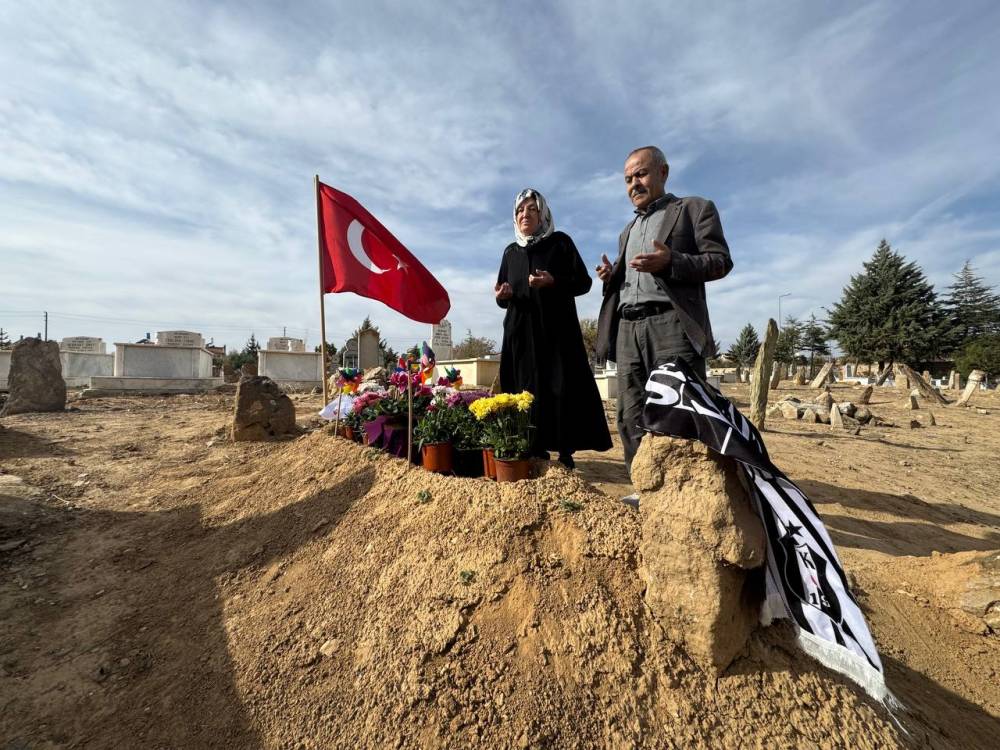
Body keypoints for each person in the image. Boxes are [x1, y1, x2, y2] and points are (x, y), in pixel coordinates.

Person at [595, 146, 733, 496]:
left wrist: (671, 262)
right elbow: (631, 280)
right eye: (628, 179)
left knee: (680, 412)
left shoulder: (693, 209)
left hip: (672, 325)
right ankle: (644, 490)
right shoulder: (627, 230)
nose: (634, 184)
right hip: (628, 330)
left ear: (663, 172)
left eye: (640, 174)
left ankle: (683, 498)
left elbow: (719, 261)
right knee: (630, 415)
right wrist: (613, 277)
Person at [495, 188, 612, 468]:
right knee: (526, 391)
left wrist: (554, 281)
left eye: (532, 209)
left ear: (543, 214)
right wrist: (503, 295)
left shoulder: (560, 243)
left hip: (556, 333)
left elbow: (583, 283)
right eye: (520, 210)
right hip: (521, 335)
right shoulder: (511, 252)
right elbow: (502, 295)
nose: (526, 214)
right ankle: (534, 450)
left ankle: (565, 452)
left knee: (559, 388)